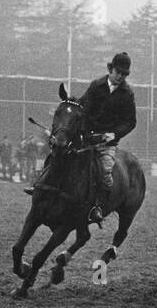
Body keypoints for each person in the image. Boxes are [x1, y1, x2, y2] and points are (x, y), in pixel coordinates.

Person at [27, 53, 136, 219]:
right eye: (118, 72)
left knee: (106, 171)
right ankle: (40, 186)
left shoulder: (127, 94)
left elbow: (130, 122)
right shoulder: (96, 86)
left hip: (107, 142)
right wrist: (69, 104)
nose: (120, 76)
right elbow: (81, 105)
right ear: (110, 69)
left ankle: (97, 207)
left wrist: (113, 134)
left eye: (124, 74)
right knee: (57, 154)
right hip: (86, 137)